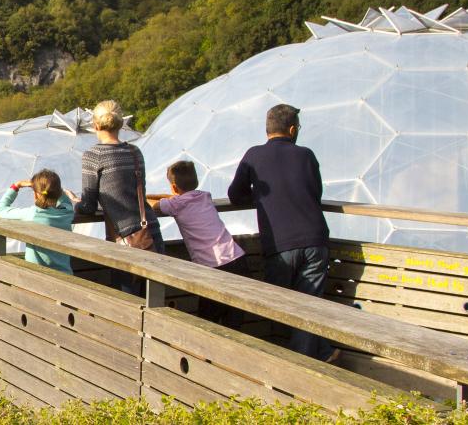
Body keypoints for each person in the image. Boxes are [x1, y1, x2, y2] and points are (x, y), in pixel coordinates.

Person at [227, 103, 336, 361]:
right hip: (315, 238)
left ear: (267, 129)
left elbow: (235, 195)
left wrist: (263, 196)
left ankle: (303, 364)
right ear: (291, 129)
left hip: (279, 243)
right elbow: (316, 193)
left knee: (282, 305)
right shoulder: (306, 155)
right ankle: (319, 355)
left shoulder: (253, 155)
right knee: (309, 305)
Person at [76, 100, 163, 296]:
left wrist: (75, 205)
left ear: (95, 125)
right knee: (155, 302)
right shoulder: (134, 152)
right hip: (151, 233)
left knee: (127, 304)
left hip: (126, 239)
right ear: (121, 123)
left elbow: (88, 206)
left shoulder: (94, 155)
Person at [149, 160, 248, 327]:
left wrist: (162, 196)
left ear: (173, 188)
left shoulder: (176, 204)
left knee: (208, 321)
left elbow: (151, 204)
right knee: (233, 322)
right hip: (237, 261)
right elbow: (176, 199)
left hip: (213, 268)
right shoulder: (205, 196)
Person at [0, 169, 75, 274]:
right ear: (58, 192)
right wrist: (60, 191)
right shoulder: (67, 211)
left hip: (36, 277)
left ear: (36, 194)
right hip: (66, 275)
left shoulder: (32, 214)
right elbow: (61, 197)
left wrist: (16, 186)